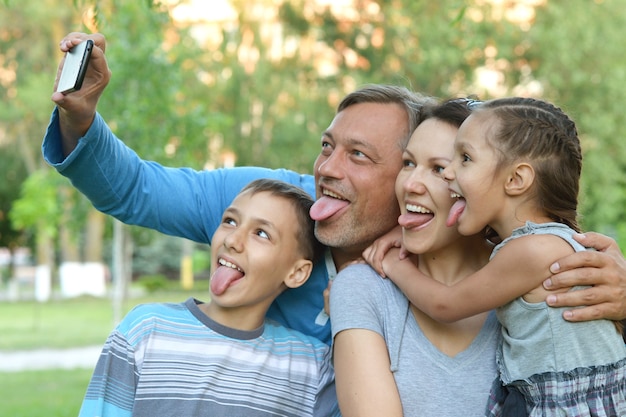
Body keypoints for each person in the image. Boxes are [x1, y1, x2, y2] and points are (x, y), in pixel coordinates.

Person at [45, 34, 626, 349]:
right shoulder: (268, 204)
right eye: (327, 146)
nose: (327, 168)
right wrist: (80, 115)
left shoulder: (469, 245)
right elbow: (136, 189)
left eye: (359, 156)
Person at [377, 97, 626, 416]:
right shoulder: (547, 242)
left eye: (464, 158)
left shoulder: (532, 250)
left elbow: (446, 305)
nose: (450, 173)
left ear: (515, 180)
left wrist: (395, 264)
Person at [79, 178, 340, 417]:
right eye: (230, 221)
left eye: (261, 233)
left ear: (297, 273)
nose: (233, 240)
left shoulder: (311, 366)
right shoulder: (145, 330)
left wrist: (346, 318)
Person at [330, 98, 502, 416]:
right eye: (408, 163)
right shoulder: (363, 288)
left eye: (439, 169)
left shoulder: (527, 282)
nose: (410, 184)